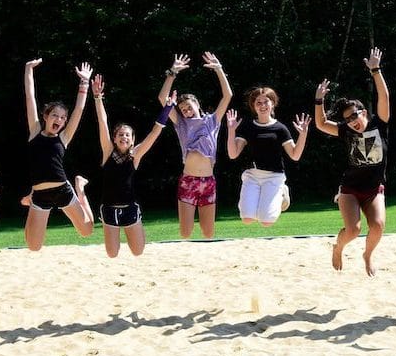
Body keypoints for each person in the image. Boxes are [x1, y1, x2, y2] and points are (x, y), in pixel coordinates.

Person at [314, 48, 389, 275]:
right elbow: (321, 123)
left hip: (374, 189)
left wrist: (375, 70)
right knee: (354, 230)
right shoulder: (345, 132)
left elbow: (384, 97)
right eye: (347, 119)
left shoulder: (380, 124)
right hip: (350, 189)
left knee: (377, 226)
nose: (352, 121)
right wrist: (319, 100)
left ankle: (367, 255)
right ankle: (338, 248)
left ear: (363, 112)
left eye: (355, 115)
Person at [92, 73, 173, 257]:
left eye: (127, 135)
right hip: (109, 209)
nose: (124, 137)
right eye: (120, 134)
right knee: (112, 254)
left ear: (132, 140)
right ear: (114, 138)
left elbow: (154, 133)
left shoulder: (135, 155)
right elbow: (103, 122)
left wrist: (167, 109)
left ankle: (136, 228)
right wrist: (97, 98)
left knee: (138, 251)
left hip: (129, 208)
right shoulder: (107, 152)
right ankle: (81, 192)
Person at [156, 52, 232, 239]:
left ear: (197, 104)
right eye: (183, 110)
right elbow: (162, 97)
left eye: (189, 107)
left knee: (208, 233)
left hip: (208, 182)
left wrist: (218, 69)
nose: (187, 111)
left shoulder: (212, 120)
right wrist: (172, 72)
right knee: (186, 232)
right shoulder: (181, 124)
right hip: (189, 181)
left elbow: (227, 95)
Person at [22, 58, 95, 251]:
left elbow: (79, 110)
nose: (60, 120)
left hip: (63, 190)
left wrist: (84, 82)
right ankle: (31, 201)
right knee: (33, 246)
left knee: (87, 231)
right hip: (40, 194)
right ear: (46, 116)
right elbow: (30, 97)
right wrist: (28, 69)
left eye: (63, 118)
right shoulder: (35, 131)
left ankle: (80, 189)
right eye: (55, 115)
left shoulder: (63, 138)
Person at [226, 86, 311, 226]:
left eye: (266, 102)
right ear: (253, 106)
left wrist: (303, 135)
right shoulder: (248, 127)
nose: (262, 105)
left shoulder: (280, 129)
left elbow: (295, 155)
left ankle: (282, 192)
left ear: (272, 103)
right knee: (247, 219)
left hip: (274, 177)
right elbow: (233, 154)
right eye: (258, 102)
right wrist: (231, 130)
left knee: (266, 222)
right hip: (252, 176)